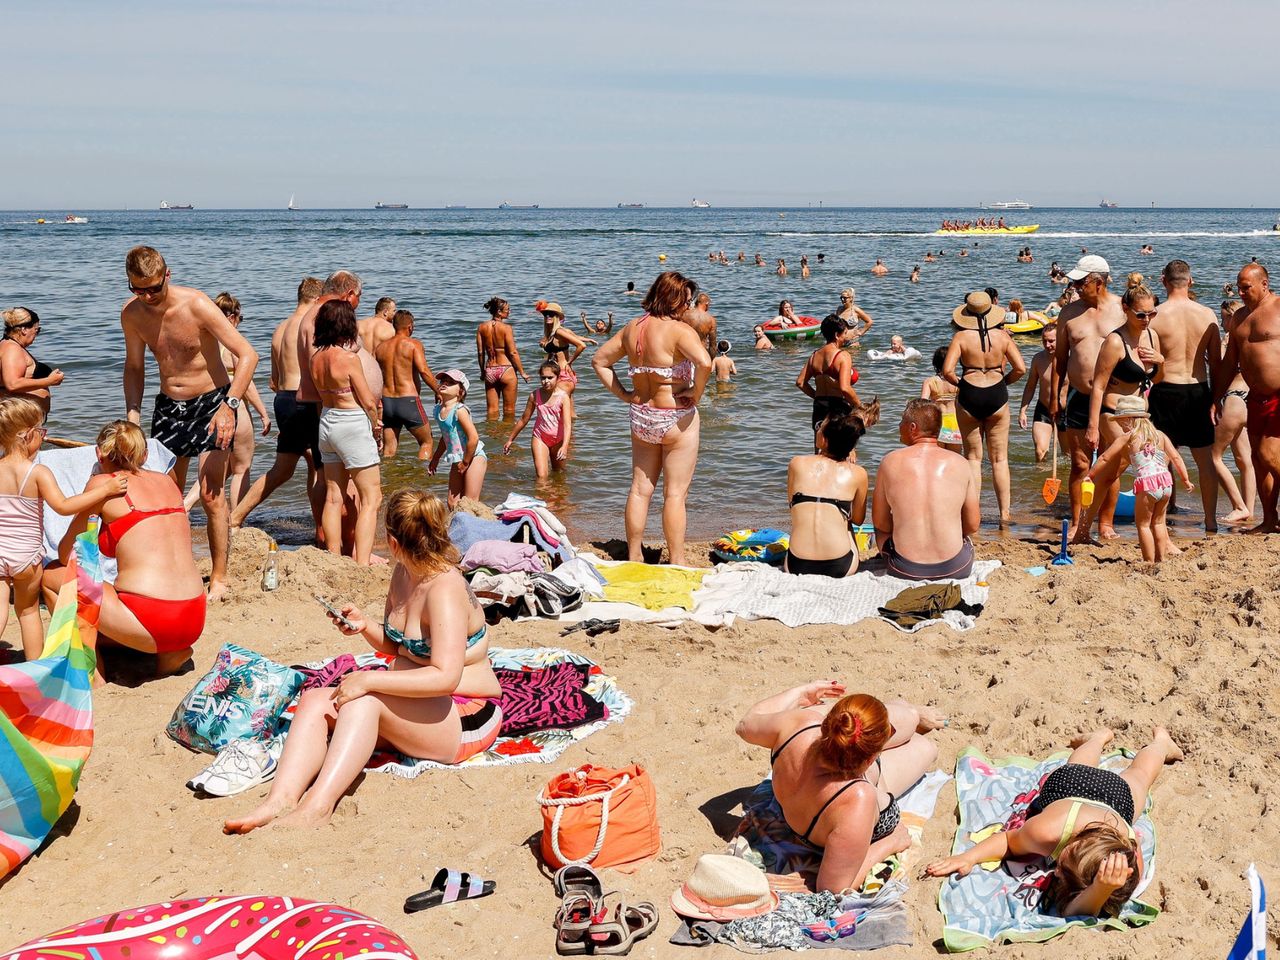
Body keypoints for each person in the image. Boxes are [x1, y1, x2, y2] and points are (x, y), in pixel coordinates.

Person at [225, 491, 503, 833]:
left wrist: (370, 680)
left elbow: (446, 676)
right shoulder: (403, 573)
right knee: (315, 701)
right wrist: (364, 625)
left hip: (466, 713)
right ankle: (279, 800)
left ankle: (318, 806)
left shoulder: (444, 588)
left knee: (363, 702)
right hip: (419, 705)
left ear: (392, 540)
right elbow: (400, 647)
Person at [926, 727, 1183, 918]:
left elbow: (1075, 912)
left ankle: (1098, 739)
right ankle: (1158, 743)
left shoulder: (1126, 860)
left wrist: (1102, 889)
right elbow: (1006, 840)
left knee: (1119, 770)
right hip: (1072, 788)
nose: (1055, 871)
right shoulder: (1047, 831)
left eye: (1059, 869)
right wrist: (969, 856)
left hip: (1111, 800)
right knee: (1140, 775)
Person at [121, 246, 258, 602]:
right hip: (168, 408)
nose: (148, 296)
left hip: (212, 405)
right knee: (167, 495)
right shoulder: (132, 315)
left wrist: (230, 406)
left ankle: (220, 578)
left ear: (168, 275)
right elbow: (135, 367)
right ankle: (177, 567)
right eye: (139, 290)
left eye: (154, 288)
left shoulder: (196, 304)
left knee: (212, 495)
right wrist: (132, 416)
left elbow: (248, 355)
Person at [736, 682, 944, 893]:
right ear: (874, 756)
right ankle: (905, 715)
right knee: (926, 746)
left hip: (835, 759)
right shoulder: (856, 798)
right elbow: (832, 888)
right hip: (868, 779)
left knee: (907, 715)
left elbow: (745, 725)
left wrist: (799, 694)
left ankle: (908, 713)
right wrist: (890, 843)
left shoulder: (800, 725)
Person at [46, 420, 206, 678]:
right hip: (194, 616)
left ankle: (92, 671)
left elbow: (67, 553)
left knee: (53, 574)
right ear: (144, 455)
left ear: (99, 454)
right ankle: (168, 654)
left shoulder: (103, 484)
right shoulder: (166, 480)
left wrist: (93, 496)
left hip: (151, 615)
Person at [591, 271, 712, 566]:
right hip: (674, 417)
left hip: (641, 416)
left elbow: (599, 361)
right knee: (674, 495)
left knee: (640, 489)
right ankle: (678, 560)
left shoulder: (633, 327)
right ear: (675, 298)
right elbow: (705, 362)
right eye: (686, 300)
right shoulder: (680, 331)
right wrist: (696, 393)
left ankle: (634, 556)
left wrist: (623, 394)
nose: (688, 306)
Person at [0, 398, 127, 660]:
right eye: (41, 432)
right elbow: (64, 506)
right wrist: (104, 490)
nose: (43, 439)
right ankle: (36, 669)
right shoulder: (37, 472)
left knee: (1, 607)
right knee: (27, 611)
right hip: (27, 556)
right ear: (27, 436)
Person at [229, 277, 325, 532]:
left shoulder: (280, 328)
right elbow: (317, 368)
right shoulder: (311, 325)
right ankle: (322, 530)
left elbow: (273, 380)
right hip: (306, 399)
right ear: (317, 300)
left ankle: (235, 518)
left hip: (283, 399)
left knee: (282, 470)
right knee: (322, 467)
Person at [1081, 283, 1164, 543]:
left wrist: (1160, 362)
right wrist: (1093, 427)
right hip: (1112, 414)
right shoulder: (1115, 342)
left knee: (1108, 477)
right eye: (1141, 315)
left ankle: (1082, 531)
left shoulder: (1152, 337)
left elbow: (1158, 380)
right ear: (1126, 310)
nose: (1147, 319)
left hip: (1140, 416)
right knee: (1148, 465)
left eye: (1152, 313)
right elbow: (1098, 386)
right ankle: (1157, 534)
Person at [1147, 260, 1221, 530]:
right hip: (1198, 389)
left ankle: (1162, 516)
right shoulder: (1208, 314)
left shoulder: (1155, 315)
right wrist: (1216, 397)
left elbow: (1148, 362)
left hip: (1165, 389)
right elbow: (1216, 362)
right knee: (1206, 460)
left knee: (1162, 457)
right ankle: (1210, 520)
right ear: (1190, 281)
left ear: (1163, 280)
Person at [1054, 255, 1124, 540]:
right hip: (1079, 395)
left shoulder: (1122, 309)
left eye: (1081, 282)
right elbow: (1060, 359)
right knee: (1080, 463)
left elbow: (1139, 346)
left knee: (1112, 463)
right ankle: (1078, 523)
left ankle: (1105, 523)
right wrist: (1056, 396)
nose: (1075, 286)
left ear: (1099, 282)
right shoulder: (1068, 314)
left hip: (1115, 398)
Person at [943, 291, 1026, 525]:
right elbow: (1020, 368)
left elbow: (948, 371)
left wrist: (963, 385)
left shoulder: (960, 337)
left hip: (970, 392)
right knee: (1000, 460)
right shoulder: (1002, 336)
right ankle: (1005, 515)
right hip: (996, 392)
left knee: (973, 458)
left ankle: (973, 515)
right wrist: (1003, 382)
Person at [872, 399, 979, 580]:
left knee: (880, 531)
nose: (899, 426)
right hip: (955, 568)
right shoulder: (960, 462)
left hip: (905, 569)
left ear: (912, 427)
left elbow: (881, 523)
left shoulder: (890, 462)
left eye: (901, 421)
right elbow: (972, 524)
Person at [311, 300, 382, 566]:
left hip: (327, 422)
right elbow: (367, 401)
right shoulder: (349, 359)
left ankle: (333, 558)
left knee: (333, 494)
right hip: (351, 422)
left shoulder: (315, 358)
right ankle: (361, 563)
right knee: (371, 497)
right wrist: (376, 426)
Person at [1082, 396, 1192, 562]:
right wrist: (1185, 480)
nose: (1120, 425)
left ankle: (1148, 561)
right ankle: (1160, 559)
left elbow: (1105, 458)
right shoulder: (1160, 435)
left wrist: (1090, 475)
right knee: (1159, 523)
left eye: (1120, 421)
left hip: (1148, 485)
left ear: (1128, 419)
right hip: (1165, 484)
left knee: (1143, 525)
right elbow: (1176, 458)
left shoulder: (1128, 437)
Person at [1216, 263, 1280, 532]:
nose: (1240, 292)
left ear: (1264, 284)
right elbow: (1230, 362)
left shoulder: (1278, 308)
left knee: (1268, 455)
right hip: (1254, 399)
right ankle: (1269, 520)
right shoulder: (1240, 318)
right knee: (1257, 461)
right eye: (1239, 287)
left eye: (1246, 287)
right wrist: (1214, 396)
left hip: (1279, 396)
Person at [194, 293, 271, 514]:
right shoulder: (233, 343)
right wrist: (263, 412)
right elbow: (246, 383)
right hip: (233, 407)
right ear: (231, 317)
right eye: (240, 317)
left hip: (206, 407)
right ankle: (235, 520)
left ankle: (189, 506)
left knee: (212, 468)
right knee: (241, 467)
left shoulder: (203, 343)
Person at [784, 413, 869, 578]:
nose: (817, 430)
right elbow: (858, 519)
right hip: (840, 565)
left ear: (825, 439)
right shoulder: (859, 474)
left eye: (819, 427)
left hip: (797, 564)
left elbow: (792, 506)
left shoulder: (796, 463)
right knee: (846, 521)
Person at [1211, 300, 1255, 524]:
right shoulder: (1251, 337)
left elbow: (1220, 368)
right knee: (1244, 459)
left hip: (1233, 400)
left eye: (1223, 318)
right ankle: (1249, 509)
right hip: (1249, 399)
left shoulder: (1230, 339)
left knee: (1214, 456)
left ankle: (1239, 506)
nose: (1221, 322)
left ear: (1231, 317)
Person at [377, 309, 440, 460]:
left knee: (389, 450)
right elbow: (424, 371)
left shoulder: (380, 348)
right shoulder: (413, 345)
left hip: (387, 402)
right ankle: (423, 478)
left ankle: (390, 482)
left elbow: (375, 377)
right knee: (427, 442)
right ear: (410, 326)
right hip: (408, 401)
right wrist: (438, 390)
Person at [796, 316, 865, 434]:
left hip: (819, 406)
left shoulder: (814, 356)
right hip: (837, 407)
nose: (846, 337)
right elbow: (845, 388)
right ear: (837, 335)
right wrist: (860, 406)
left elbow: (800, 382)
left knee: (819, 447)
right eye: (845, 334)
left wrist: (817, 396)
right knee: (844, 449)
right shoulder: (843, 356)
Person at [503, 361, 573, 477]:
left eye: (550, 378)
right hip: (540, 437)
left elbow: (567, 425)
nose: (546, 381)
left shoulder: (563, 397)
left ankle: (557, 494)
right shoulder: (535, 395)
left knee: (559, 473)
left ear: (558, 377)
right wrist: (510, 440)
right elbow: (524, 419)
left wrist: (565, 446)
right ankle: (541, 494)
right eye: (543, 378)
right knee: (541, 476)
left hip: (559, 440)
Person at [428, 370, 487, 506]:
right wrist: (435, 458)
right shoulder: (438, 411)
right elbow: (446, 437)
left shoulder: (459, 411)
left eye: (450, 383)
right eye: (443, 381)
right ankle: (458, 526)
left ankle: (475, 525)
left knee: (470, 502)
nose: (444, 384)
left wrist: (466, 462)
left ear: (460, 392)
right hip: (458, 458)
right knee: (452, 502)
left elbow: (474, 438)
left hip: (474, 456)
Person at [1, 308, 62, 418]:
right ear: (24, 329)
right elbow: (13, 384)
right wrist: (49, 381)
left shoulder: (9, 345)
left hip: (22, 415)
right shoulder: (12, 349)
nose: (36, 334)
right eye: (36, 330)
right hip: (18, 417)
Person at [1018, 326, 1066, 462]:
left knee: (1068, 456)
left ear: (1061, 340)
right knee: (1040, 451)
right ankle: (1038, 480)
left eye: (1051, 341)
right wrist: (1023, 410)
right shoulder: (1038, 359)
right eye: (1044, 341)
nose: (1047, 345)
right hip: (1043, 409)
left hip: (1065, 411)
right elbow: (1030, 386)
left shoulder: (1071, 359)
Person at [476, 297, 528, 419]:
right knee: (509, 410)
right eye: (507, 309)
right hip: (506, 370)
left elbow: (480, 353)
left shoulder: (481, 327)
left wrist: (482, 371)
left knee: (491, 410)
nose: (509, 312)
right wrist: (522, 372)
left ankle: (493, 434)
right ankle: (507, 435)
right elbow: (513, 353)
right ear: (499, 312)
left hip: (490, 369)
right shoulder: (506, 328)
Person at [539, 301, 593, 394]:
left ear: (557, 317)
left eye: (551, 314)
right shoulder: (551, 333)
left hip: (562, 373)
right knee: (565, 406)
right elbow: (575, 337)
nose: (548, 316)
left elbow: (581, 345)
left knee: (561, 405)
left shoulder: (559, 331)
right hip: (555, 373)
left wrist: (570, 362)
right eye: (546, 314)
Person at [922, 348, 963, 453]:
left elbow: (923, 403)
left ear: (935, 362)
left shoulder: (929, 382)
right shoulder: (958, 381)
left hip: (938, 422)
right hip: (955, 423)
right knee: (955, 457)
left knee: (937, 456)